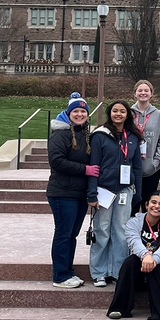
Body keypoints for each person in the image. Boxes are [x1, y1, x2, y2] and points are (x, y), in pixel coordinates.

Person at [87, 100, 143, 287]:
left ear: (128, 115)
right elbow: (94, 166)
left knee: (121, 231)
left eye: (122, 111)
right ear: (109, 113)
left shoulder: (133, 137)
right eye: (115, 111)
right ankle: (99, 272)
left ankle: (118, 270)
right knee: (102, 230)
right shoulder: (99, 136)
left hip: (125, 190)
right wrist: (91, 194)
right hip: (104, 190)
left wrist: (138, 193)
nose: (118, 114)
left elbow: (137, 167)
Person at [46, 93, 97, 288]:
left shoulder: (85, 135)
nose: (79, 114)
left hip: (79, 193)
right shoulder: (60, 134)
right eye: (75, 111)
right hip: (62, 193)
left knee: (71, 234)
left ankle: (68, 271)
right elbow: (57, 161)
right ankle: (60, 275)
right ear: (68, 114)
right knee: (63, 233)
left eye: (83, 111)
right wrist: (85, 170)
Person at [107, 191, 160, 320]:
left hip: (158, 265)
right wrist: (146, 255)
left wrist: (153, 259)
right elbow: (134, 242)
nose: (157, 206)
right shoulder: (133, 222)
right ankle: (119, 308)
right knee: (130, 262)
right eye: (154, 202)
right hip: (139, 265)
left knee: (158, 264)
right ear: (146, 204)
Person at [132, 80, 160, 201]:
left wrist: (157, 162)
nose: (143, 93)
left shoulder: (159, 115)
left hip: (152, 168)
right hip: (131, 167)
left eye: (146, 90)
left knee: (148, 203)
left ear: (151, 93)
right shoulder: (128, 113)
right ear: (135, 93)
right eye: (140, 90)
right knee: (132, 205)